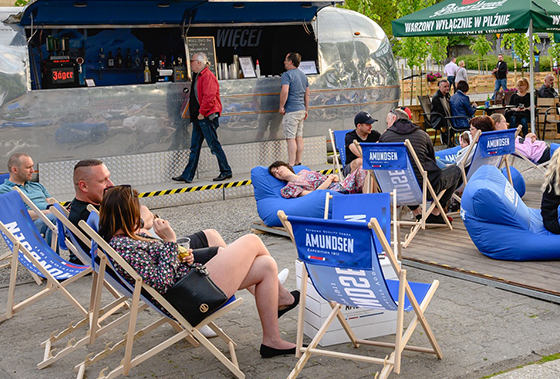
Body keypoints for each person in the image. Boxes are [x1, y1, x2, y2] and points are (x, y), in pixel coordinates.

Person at [99, 185, 298, 358]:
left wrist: (184, 257)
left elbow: (159, 269)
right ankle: (281, 299)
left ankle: (272, 341)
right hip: (191, 296)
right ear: (127, 215)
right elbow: (161, 282)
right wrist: (170, 242)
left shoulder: (128, 239)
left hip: (190, 283)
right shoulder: (124, 247)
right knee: (252, 241)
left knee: (266, 265)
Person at [378, 109, 462, 221]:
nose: (387, 126)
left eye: (387, 122)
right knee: (455, 170)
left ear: (394, 119)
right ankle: (435, 212)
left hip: (395, 191)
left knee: (407, 175)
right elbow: (433, 161)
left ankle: (418, 213)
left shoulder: (385, 138)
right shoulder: (422, 135)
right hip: (423, 190)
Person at [175, 52, 233, 183]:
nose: (190, 64)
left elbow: (209, 97)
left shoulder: (207, 76)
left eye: (192, 61)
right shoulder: (198, 76)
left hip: (206, 117)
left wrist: (202, 113)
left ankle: (226, 171)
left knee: (214, 145)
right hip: (199, 117)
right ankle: (187, 175)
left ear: (199, 63)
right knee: (194, 147)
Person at [0, 152, 54, 243]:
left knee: (76, 216)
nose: (32, 171)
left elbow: (51, 201)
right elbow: (18, 215)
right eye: (28, 167)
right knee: (56, 219)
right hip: (29, 227)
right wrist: (51, 212)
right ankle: (52, 257)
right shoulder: (3, 191)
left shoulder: (37, 186)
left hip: (49, 220)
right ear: (15, 170)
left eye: (32, 167)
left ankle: (76, 256)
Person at [279, 51, 310, 167]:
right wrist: (306, 110)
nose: (284, 62)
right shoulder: (303, 75)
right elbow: (307, 95)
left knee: (290, 138)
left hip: (291, 111)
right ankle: (298, 162)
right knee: (299, 137)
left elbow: (285, 91)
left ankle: (291, 163)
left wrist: (281, 106)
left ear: (291, 62)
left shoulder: (286, 75)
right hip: (301, 110)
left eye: (286, 60)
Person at [267, 160, 366, 196]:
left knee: (368, 169)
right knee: (363, 169)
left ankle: (372, 199)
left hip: (340, 184)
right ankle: (370, 200)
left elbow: (327, 177)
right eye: (274, 173)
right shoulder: (289, 188)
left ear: (285, 165)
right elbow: (314, 194)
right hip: (334, 191)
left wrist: (333, 177)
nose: (277, 171)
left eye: (277, 168)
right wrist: (329, 180)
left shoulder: (304, 172)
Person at [427, 78, 453, 142]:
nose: (447, 88)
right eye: (445, 87)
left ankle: (447, 138)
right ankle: (446, 139)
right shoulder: (436, 97)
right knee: (456, 122)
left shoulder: (447, 95)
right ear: (440, 87)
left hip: (445, 117)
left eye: (448, 86)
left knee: (456, 121)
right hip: (438, 119)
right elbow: (440, 110)